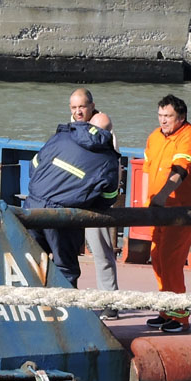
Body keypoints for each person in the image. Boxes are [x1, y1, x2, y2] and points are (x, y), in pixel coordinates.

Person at [24, 113, 120, 288]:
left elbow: (34, 165)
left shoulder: (62, 136)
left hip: (33, 206)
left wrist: (44, 190)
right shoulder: (108, 159)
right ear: (110, 133)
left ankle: (30, 309)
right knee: (65, 268)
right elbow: (108, 199)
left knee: (32, 263)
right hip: (63, 216)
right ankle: (65, 312)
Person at [142, 94, 191, 333]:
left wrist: (161, 197)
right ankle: (165, 310)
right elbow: (147, 172)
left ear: (181, 118)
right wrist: (146, 202)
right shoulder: (154, 137)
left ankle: (180, 317)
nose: (163, 121)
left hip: (180, 211)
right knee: (157, 259)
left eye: (168, 116)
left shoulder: (189, 137)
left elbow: (181, 171)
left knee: (171, 261)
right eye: (160, 116)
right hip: (157, 211)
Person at [68, 88, 121, 320]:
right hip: (70, 198)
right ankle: (67, 301)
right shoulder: (68, 127)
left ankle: (110, 302)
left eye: (82, 107)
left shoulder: (103, 128)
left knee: (101, 250)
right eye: (74, 108)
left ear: (91, 106)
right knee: (64, 251)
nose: (78, 112)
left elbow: (111, 166)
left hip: (95, 200)